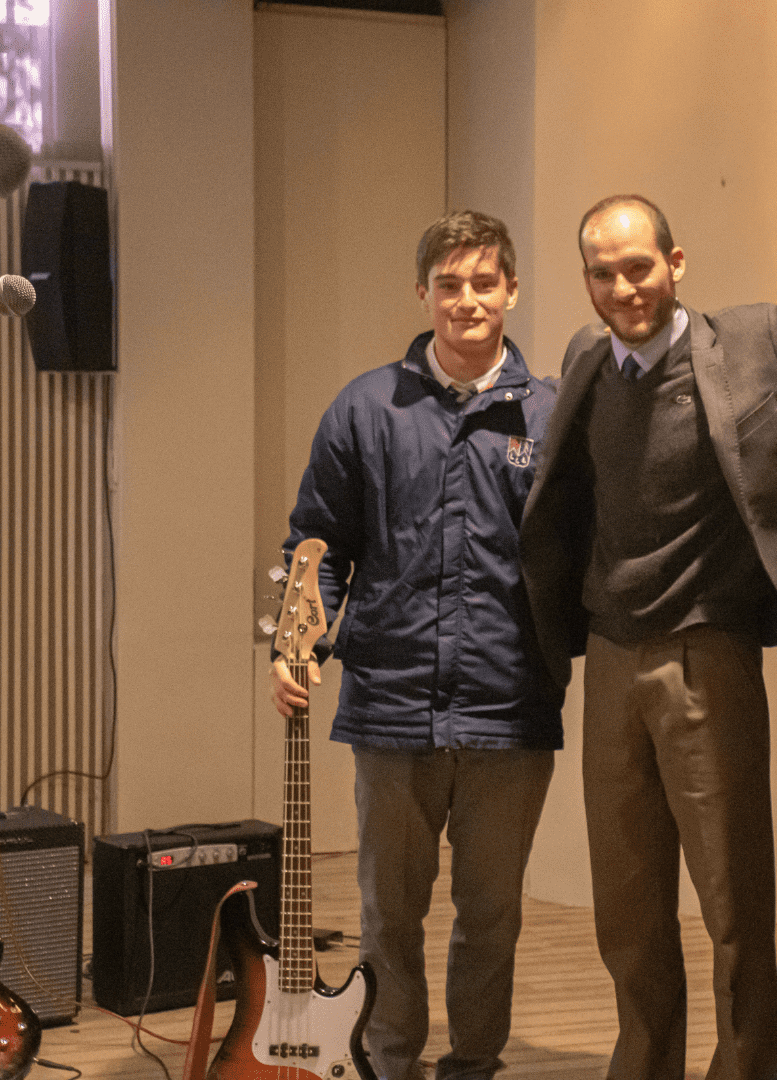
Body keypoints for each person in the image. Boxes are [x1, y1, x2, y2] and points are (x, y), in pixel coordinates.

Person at [518, 195, 777, 1080]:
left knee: (732, 899)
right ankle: (644, 1064)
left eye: (639, 267)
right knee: (626, 903)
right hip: (610, 656)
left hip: (706, 654)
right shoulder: (584, 357)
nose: (624, 288)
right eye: (603, 274)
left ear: (675, 263)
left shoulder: (749, 341)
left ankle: (746, 1068)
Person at [272, 211, 562, 1080]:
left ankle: (474, 1061)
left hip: (510, 709)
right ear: (423, 292)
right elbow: (317, 543)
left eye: (484, 282)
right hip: (390, 708)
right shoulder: (366, 408)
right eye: (449, 284)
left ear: (512, 289)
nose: (467, 300)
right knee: (388, 915)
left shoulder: (551, 414)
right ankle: (389, 1060)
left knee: (491, 916)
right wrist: (298, 648)